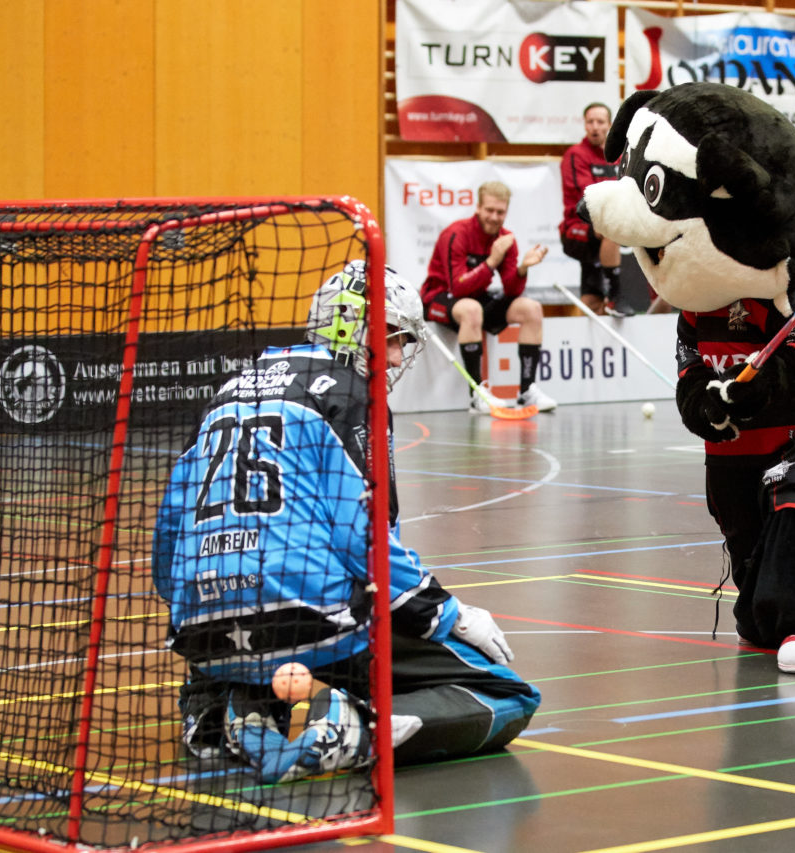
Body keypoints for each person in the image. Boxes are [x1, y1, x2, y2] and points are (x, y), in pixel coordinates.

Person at [152, 261, 541, 783]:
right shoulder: (351, 393)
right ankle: (356, 729)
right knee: (510, 695)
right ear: (353, 328)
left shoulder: (227, 392)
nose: (400, 355)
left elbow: (168, 539)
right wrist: (448, 615)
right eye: (394, 338)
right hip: (312, 620)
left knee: (259, 640)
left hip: (203, 634)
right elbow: (368, 542)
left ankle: (224, 706)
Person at [420, 181, 556, 413]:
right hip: (439, 298)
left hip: (475, 297)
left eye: (500, 212)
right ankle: (477, 395)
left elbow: (512, 290)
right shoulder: (456, 234)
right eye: (489, 210)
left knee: (531, 308)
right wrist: (492, 260)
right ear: (478, 208)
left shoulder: (506, 239)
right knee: (472, 308)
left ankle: (526, 391)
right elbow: (459, 287)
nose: (494, 217)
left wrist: (523, 268)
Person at [559, 102, 632, 317]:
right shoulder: (575, 154)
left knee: (591, 299)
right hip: (577, 229)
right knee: (609, 230)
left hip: (609, 225)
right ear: (584, 125)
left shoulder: (620, 156)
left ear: (609, 125)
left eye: (600, 122)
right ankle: (616, 296)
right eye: (590, 122)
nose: (595, 127)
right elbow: (588, 195)